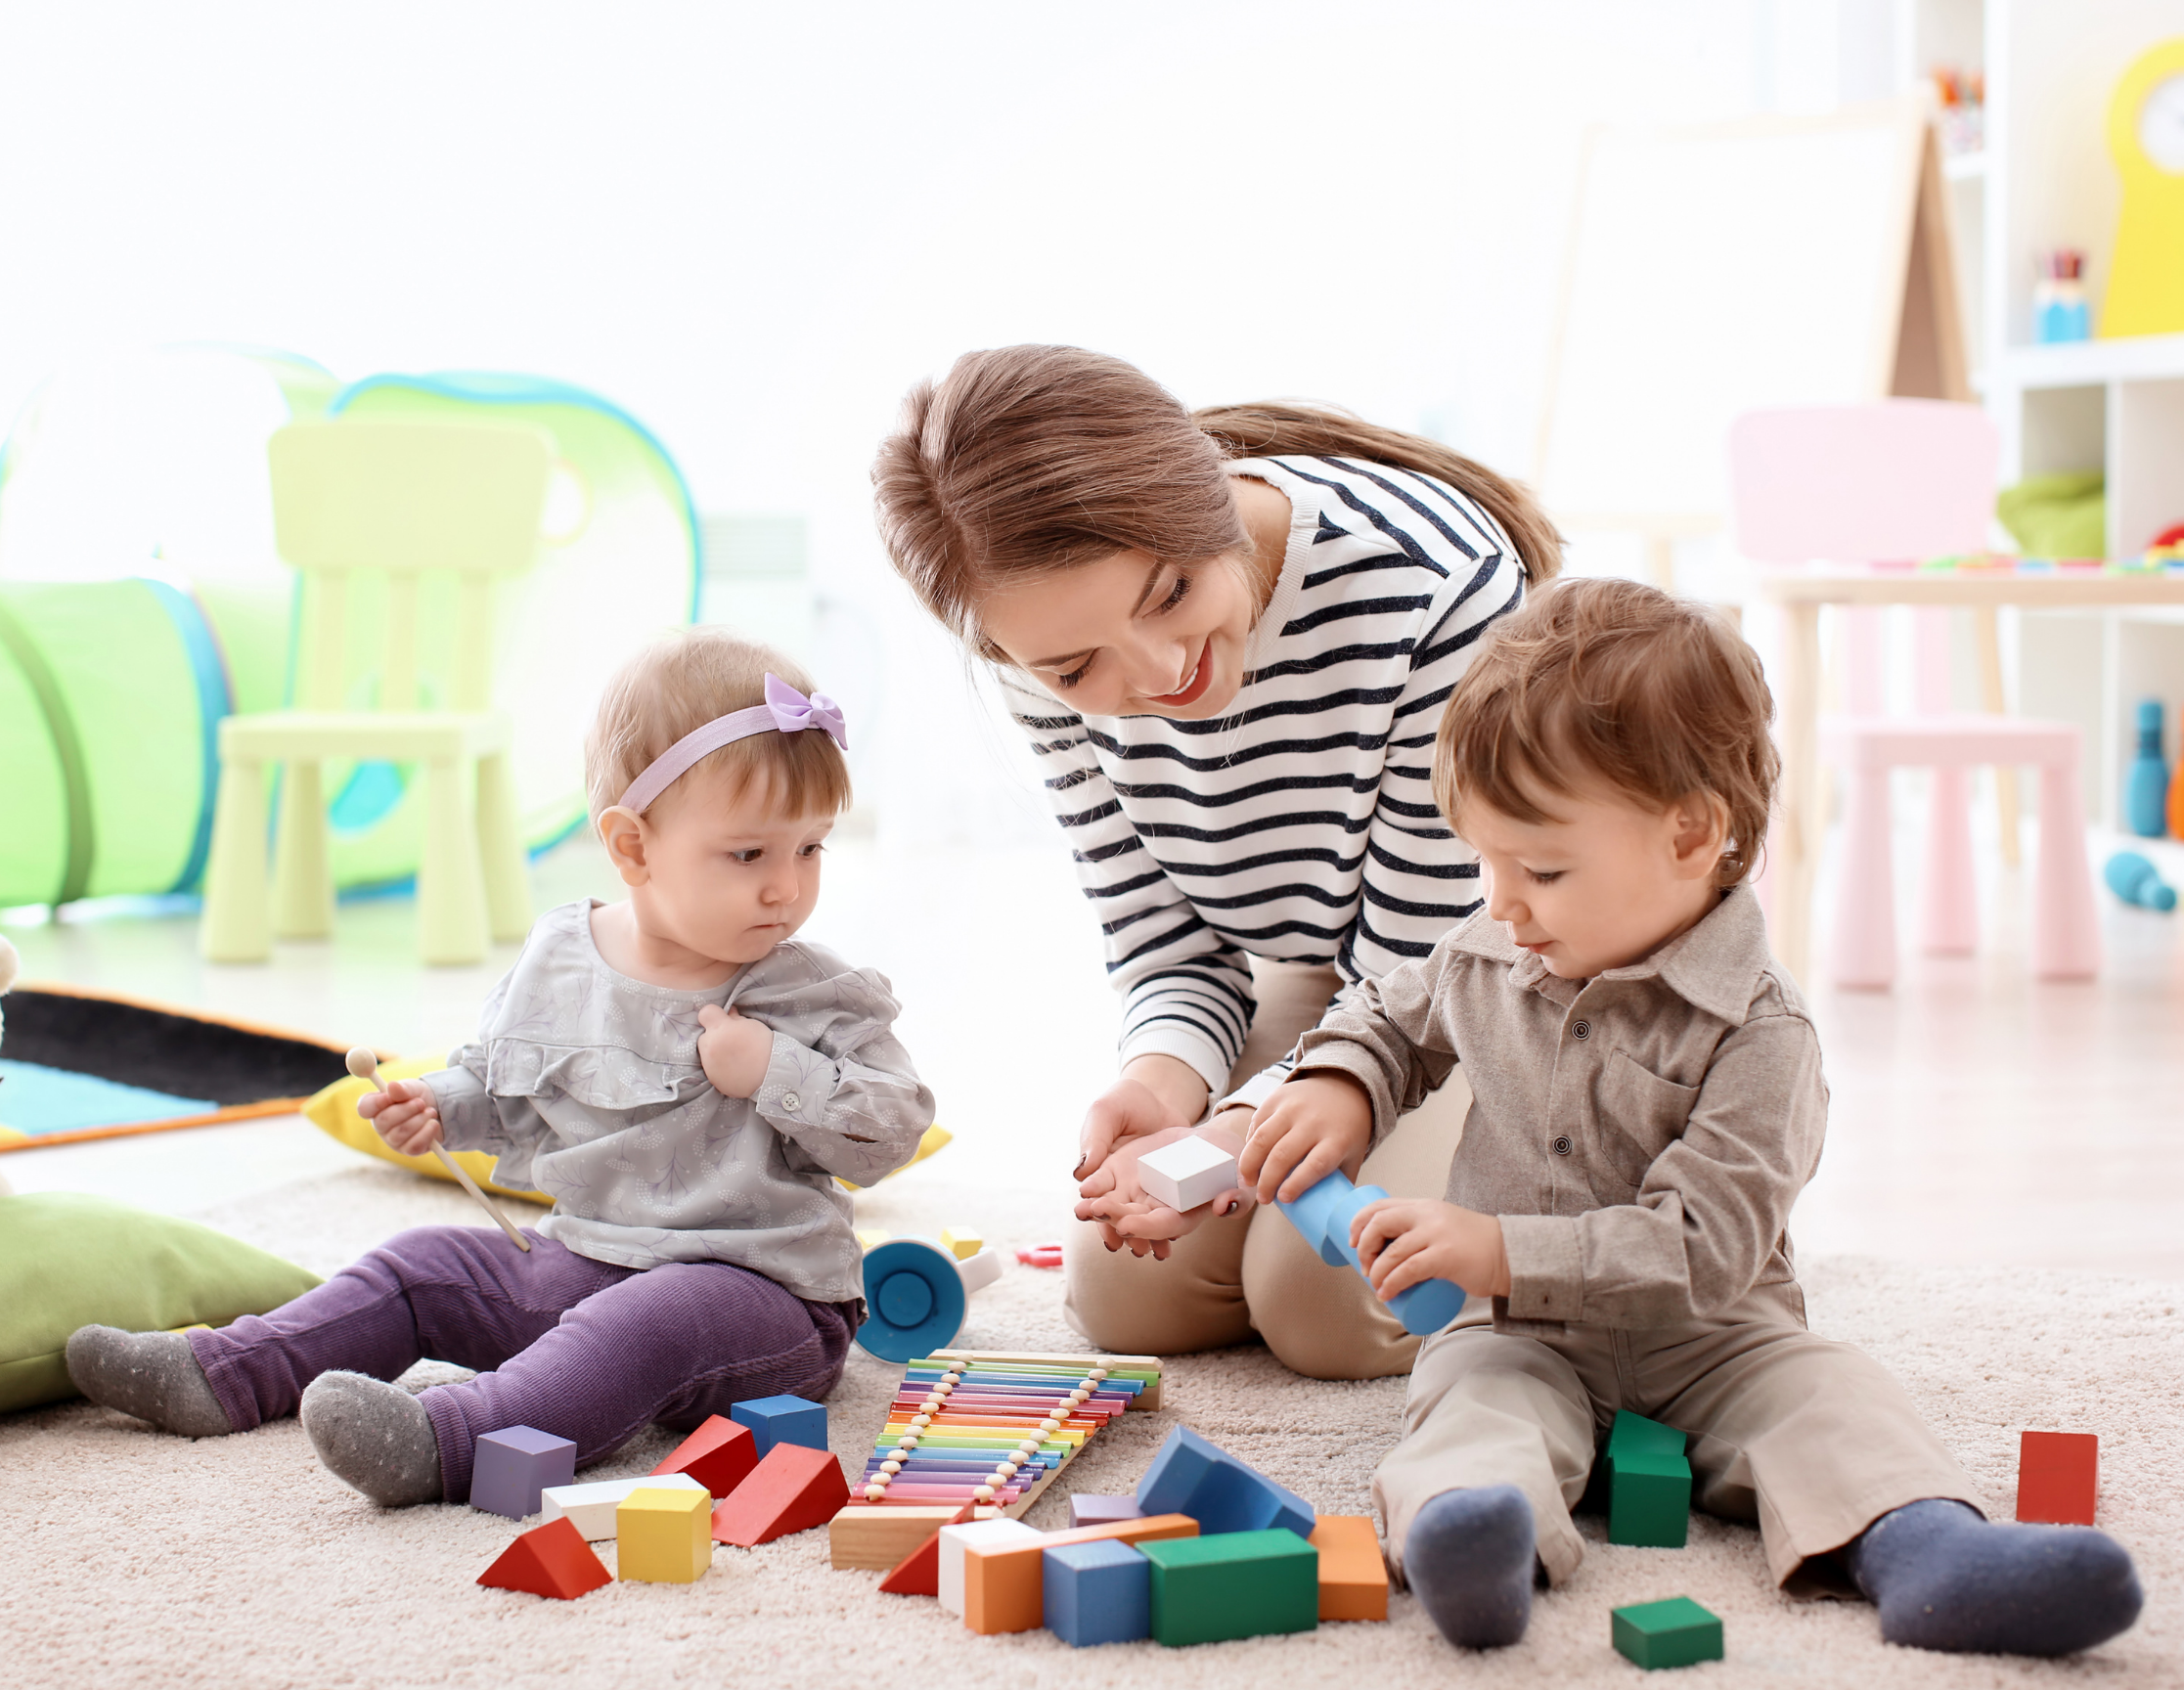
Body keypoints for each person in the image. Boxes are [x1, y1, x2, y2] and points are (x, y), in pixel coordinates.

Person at [1235, 577, 2143, 1658]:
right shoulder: (1492, 954)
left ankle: (1926, 1552)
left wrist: (1496, 1248)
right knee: (1471, 1401)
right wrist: (1340, 1081)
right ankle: (1471, 1540)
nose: (1500, 902)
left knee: (1832, 1395)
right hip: (1520, 1337)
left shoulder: (1766, 1036)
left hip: (1714, 1338)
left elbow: (1706, 1249)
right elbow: (1390, 1013)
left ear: (1691, 835)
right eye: (1484, 862)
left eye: (1540, 867)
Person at [66, 630, 936, 1505]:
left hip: (760, 1300)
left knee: (644, 1323)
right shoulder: (563, 955)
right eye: (750, 854)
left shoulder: (810, 991)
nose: (787, 887)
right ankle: (222, 1372)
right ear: (632, 848)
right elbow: (504, 1083)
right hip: (584, 1258)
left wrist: (776, 1069)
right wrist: (442, 1104)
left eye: (811, 848)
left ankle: (451, 1438)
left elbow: (890, 1130)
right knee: (419, 1266)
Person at [873, 344, 1561, 1379]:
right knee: (1130, 1292)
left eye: (1169, 593)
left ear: (1208, 501)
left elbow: (1416, 973)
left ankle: (1578, 1199)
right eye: (1074, 667)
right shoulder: (1036, 660)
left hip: (1481, 977)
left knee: (1328, 1303)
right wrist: (1165, 1083)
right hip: (1326, 969)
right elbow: (1167, 947)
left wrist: (1237, 1133)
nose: (1158, 674)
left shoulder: (1430, 586)